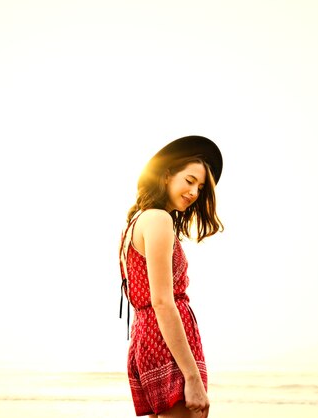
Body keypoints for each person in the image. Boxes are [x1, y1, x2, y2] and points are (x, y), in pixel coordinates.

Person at [119, 135, 223, 418]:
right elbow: (162, 301)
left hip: (147, 338)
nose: (194, 192)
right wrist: (192, 377)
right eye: (189, 181)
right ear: (166, 175)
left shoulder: (136, 222)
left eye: (200, 188)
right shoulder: (158, 220)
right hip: (167, 342)